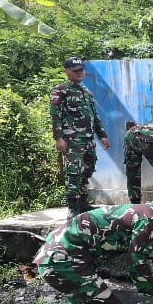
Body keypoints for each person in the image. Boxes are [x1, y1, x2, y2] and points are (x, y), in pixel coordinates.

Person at [51, 57, 111, 218]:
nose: (80, 73)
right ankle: (72, 207)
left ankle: (82, 202)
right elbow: (55, 116)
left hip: (88, 140)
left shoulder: (86, 92)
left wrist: (102, 135)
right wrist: (59, 138)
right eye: (76, 71)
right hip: (72, 141)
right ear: (67, 71)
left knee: (89, 168)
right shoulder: (60, 91)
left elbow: (94, 116)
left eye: (82, 70)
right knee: (74, 172)